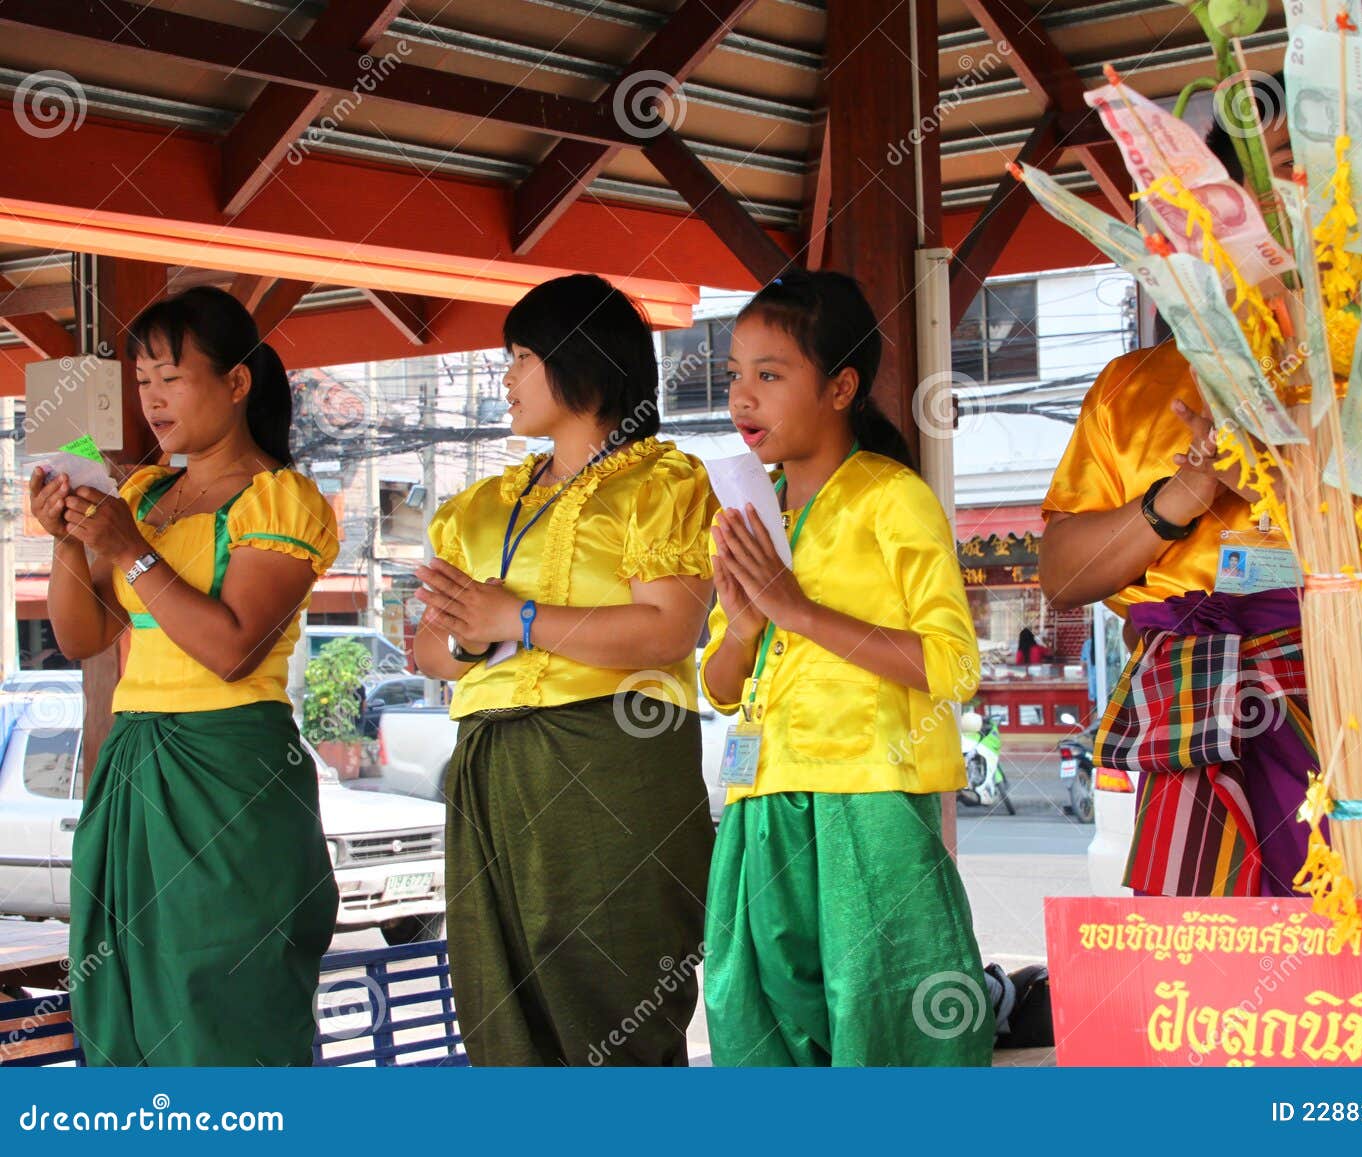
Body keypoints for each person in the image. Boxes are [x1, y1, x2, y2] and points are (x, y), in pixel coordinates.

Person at [1034, 120, 1362, 899]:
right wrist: (1184, 494)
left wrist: (1298, 496)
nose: (1260, 231)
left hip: (1361, 702)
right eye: (1233, 209)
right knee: (1207, 990)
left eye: (1289, 202)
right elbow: (1061, 575)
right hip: (1190, 712)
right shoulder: (1136, 385)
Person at [413, 273, 716, 1067]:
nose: (504, 378)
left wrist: (514, 618)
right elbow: (429, 651)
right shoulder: (478, 506)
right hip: (489, 761)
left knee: (612, 987)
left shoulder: (661, 484)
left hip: (614, 755)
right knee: (497, 995)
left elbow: (669, 628)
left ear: (579, 361)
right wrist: (472, 640)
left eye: (520, 356)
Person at [34, 285, 340, 1065]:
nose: (154, 399)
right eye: (143, 381)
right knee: (124, 996)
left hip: (231, 769)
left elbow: (233, 647)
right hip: (135, 763)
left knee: (222, 1004)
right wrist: (69, 541)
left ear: (236, 383)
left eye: (172, 377)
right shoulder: (143, 494)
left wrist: (128, 547)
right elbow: (82, 636)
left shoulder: (282, 500)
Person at [700, 270, 992, 1066]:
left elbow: (954, 663)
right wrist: (749, 623)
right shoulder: (759, 514)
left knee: (884, 1017)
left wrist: (797, 610)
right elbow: (720, 686)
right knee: (755, 1009)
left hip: (870, 797)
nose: (742, 398)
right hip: (760, 797)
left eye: (769, 374)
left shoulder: (893, 498)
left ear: (841, 387)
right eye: (734, 377)